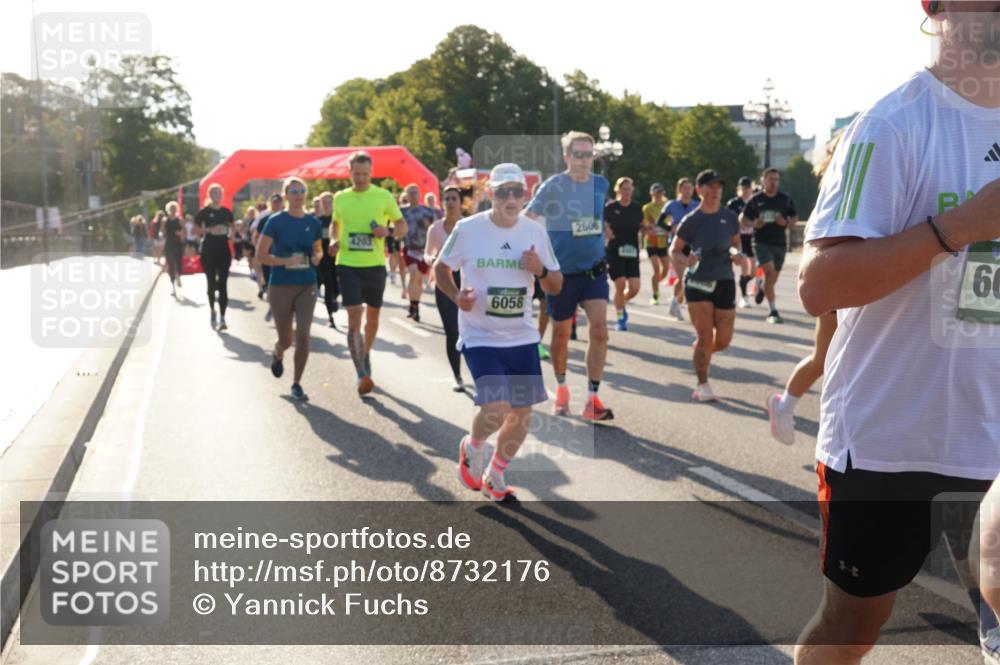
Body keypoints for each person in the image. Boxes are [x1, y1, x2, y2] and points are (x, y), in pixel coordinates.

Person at [793, 3, 1000, 663]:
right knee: (849, 630)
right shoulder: (891, 124)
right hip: (889, 444)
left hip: (992, 442)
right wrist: (960, 226)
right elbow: (820, 283)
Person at [434, 163, 562, 502]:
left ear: (525, 195)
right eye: (502, 191)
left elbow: (556, 284)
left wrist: (541, 269)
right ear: (490, 193)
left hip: (521, 337)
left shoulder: (534, 233)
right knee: (498, 407)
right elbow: (441, 268)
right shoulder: (468, 228)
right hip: (480, 336)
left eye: (516, 192)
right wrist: (455, 295)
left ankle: (496, 473)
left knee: (522, 414)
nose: (510, 198)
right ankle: (473, 446)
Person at [526, 130, 613, 421]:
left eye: (589, 154)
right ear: (566, 157)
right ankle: (562, 388)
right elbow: (529, 218)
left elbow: (596, 219)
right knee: (561, 335)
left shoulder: (601, 184)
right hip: (561, 274)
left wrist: (604, 233)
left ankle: (592, 399)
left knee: (599, 330)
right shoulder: (553, 186)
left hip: (594, 271)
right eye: (578, 155)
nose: (584, 160)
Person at [767, 136, 842, 445]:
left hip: (874, 285)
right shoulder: (834, 191)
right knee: (824, 359)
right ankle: (784, 404)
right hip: (840, 285)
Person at [332, 151, 407, 396]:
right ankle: (361, 373)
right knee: (355, 315)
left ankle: (366, 354)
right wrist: (333, 239)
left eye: (365, 174)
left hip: (374, 265)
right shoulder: (340, 198)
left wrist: (388, 231)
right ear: (350, 173)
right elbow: (335, 224)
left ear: (371, 172)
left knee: (372, 318)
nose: (361, 179)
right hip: (348, 263)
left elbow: (402, 226)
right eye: (356, 174)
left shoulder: (383, 196)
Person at [669, 170, 742, 402]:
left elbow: (735, 243)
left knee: (724, 339)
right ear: (699, 190)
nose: (715, 191)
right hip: (698, 282)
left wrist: (736, 254)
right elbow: (675, 250)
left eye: (718, 187)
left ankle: (701, 352)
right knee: (704, 335)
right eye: (710, 187)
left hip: (725, 280)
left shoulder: (730, 217)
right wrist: (685, 261)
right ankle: (702, 384)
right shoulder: (692, 220)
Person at [256, 177, 322, 402]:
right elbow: (261, 255)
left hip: (307, 284)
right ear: (286, 195)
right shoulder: (275, 221)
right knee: (286, 339)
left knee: (303, 336)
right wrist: (286, 261)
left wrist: (317, 256)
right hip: (281, 285)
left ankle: (297, 383)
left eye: (302, 190)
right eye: (293, 190)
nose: (298, 194)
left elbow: (318, 251)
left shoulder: (313, 223)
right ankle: (278, 351)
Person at [740, 168, 799, 323]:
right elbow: (743, 218)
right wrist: (754, 223)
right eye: (770, 179)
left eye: (776, 180)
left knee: (772, 279)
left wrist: (786, 223)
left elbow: (795, 217)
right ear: (763, 181)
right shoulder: (755, 199)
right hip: (761, 242)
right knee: (769, 271)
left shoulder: (785, 199)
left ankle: (760, 286)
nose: (773, 183)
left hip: (779, 243)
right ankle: (772, 311)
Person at [425, 185, 466, 391]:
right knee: (452, 330)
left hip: (468, 279)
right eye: (447, 199)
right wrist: (432, 258)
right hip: (444, 280)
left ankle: (481, 373)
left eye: (454, 199)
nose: (450, 202)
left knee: (473, 329)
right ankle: (457, 376)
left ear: (461, 203)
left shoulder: (469, 225)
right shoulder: (436, 228)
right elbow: (427, 252)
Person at [604, 177, 644, 331]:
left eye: (629, 189)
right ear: (618, 190)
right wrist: (606, 231)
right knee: (620, 283)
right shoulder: (610, 207)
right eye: (623, 189)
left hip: (632, 251)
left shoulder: (636, 208)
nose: (626, 192)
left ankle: (620, 302)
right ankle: (620, 317)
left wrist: (647, 229)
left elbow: (640, 225)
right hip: (615, 250)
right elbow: (603, 223)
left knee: (634, 288)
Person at [195, 184, 235, 331]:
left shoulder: (226, 212)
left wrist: (233, 232)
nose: (217, 195)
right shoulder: (204, 212)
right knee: (211, 283)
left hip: (224, 250)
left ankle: (223, 318)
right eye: (214, 193)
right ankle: (212, 309)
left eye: (219, 193)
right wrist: (210, 229)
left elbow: (233, 226)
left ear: (222, 195)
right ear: (210, 195)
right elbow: (195, 229)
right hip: (208, 250)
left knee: (223, 284)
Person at [659, 178, 700, 321]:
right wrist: (671, 228)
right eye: (685, 188)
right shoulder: (672, 205)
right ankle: (676, 302)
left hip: (693, 246)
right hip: (677, 246)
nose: (688, 191)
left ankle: (677, 301)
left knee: (690, 277)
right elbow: (660, 221)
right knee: (683, 277)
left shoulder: (697, 205)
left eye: (690, 188)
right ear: (679, 189)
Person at [400, 183, 436, 323]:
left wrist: (428, 226)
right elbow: (395, 226)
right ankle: (412, 304)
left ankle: (415, 305)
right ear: (407, 195)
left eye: (416, 192)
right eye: (411, 192)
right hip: (409, 248)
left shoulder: (427, 211)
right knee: (413, 274)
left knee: (419, 279)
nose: (414, 195)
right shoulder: (402, 211)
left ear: (419, 194)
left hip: (424, 250)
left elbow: (435, 228)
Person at [727, 176, 756, 308]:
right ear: (739, 189)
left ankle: (748, 283)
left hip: (752, 238)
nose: (745, 191)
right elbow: (728, 220)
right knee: (744, 264)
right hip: (738, 238)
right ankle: (744, 297)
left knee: (753, 271)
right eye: (743, 188)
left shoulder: (755, 202)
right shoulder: (733, 203)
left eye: (748, 188)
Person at [315, 192, 340, 328]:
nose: (326, 204)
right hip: (323, 257)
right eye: (324, 202)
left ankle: (335, 297)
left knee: (337, 285)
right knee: (328, 284)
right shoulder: (317, 221)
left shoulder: (338, 219)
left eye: (329, 201)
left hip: (338, 256)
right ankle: (331, 316)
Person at [254, 193, 285, 303]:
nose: (277, 204)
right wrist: (259, 252)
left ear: (283, 203)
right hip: (268, 256)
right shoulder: (265, 219)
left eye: (279, 202)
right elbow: (256, 236)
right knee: (269, 280)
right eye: (274, 202)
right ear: (270, 203)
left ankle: (281, 302)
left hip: (282, 256)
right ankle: (273, 301)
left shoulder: (287, 218)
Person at [643, 182, 669, 305]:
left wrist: (667, 228)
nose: (658, 195)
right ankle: (655, 295)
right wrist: (649, 228)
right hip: (651, 242)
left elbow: (671, 221)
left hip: (663, 242)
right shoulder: (647, 208)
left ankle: (656, 283)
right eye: (655, 193)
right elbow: (644, 225)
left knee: (666, 270)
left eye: (660, 193)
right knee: (656, 269)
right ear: (651, 194)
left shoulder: (667, 205)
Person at [161, 202, 184, 296]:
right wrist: (161, 234)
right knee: (170, 263)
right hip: (169, 242)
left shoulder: (180, 219)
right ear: (168, 210)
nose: (173, 210)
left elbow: (184, 230)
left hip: (178, 242)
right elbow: (162, 230)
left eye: (174, 208)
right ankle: (172, 286)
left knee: (178, 262)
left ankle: (178, 275)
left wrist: (181, 233)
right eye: (171, 208)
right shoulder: (165, 220)